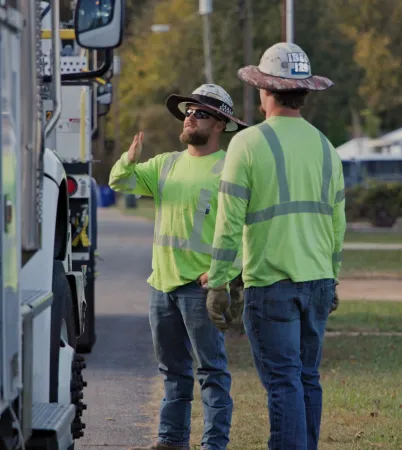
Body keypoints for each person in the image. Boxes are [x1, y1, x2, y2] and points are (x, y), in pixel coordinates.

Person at [205, 43, 346, 450]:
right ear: (303, 92)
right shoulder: (326, 148)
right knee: (306, 378)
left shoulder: (247, 145)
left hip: (272, 283)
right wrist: (332, 278)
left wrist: (218, 283)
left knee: (284, 381)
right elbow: (337, 224)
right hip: (318, 282)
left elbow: (229, 223)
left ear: (265, 91)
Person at [109, 84, 247, 450]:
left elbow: (243, 230)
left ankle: (214, 444)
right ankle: (171, 441)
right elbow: (120, 181)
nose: (189, 117)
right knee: (172, 372)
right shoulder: (165, 164)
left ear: (220, 124)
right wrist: (129, 158)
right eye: (188, 111)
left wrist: (222, 276)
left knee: (212, 373)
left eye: (200, 113)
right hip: (162, 286)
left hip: (200, 288)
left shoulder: (228, 170)